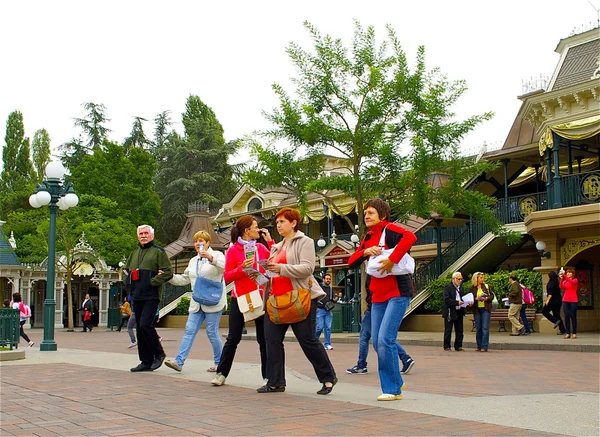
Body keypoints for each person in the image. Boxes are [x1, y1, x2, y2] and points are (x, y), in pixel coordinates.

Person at [259, 207, 337, 395]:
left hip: (299, 298)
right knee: (271, 340)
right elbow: (273, 272)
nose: (278, 225)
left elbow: (307, 268)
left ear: (293, 223)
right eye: (277, 222)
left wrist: (281, 268)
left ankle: (328, 377)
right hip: (276, 300)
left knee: (308, 340)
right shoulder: (276, 247)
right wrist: (259, 275)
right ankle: (276, 382)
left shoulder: (305, 241)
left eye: (282, 222)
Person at [348, 198, 417, 401]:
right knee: (378, 343)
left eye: (370, 213)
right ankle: (396, 379)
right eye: (365, 213)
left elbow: (410, 237)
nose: (366, 216)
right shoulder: (368, 236)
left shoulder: (391, 228)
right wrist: (365, 251)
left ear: (382, 215)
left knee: (385, 339)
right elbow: (352, 262)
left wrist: (391, 260)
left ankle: (393, 389)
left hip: (397, 293)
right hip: (377, 297)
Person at [211, 216, 273, 386]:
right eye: (255, 227)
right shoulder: (233, 250)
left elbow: (275, 263)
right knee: (233, 337)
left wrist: (271, 242)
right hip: (240, 297)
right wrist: (241, 269)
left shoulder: (261, 247)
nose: (258, 230)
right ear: (247, 231)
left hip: (260, 297)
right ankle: (221, 373)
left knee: (264, 338)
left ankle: (267, 376)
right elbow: (227, 276)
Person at [165, 231, 226, 373]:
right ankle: (179, 362)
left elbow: (225, 268)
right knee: (189, 330)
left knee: (212, 332)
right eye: (196, 241)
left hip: (213, 301)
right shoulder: (193, 261)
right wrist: (169, 277)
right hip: (197, 301)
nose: (199, 243)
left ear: (208, 242)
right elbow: (185, 279)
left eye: (202, 240)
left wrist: (210, 258)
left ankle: (220, 363)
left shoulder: (217, 255)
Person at [125, 225, 173, 372]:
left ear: (151, 235)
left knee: (146, 325)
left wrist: (152, 282)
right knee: (139, 328)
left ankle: (158, 354)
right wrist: (129, 283)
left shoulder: (158, 252)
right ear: (137, 236)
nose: (143, 235)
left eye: (146, 233)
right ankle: (145, 361)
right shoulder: (134, 254)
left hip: (151, 296)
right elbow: (126, 271)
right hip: (136, 296)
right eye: (141, 233)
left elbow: (168, 272)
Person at [347, 287, 415, 375]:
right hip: (376, 306)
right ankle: (404, 358)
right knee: (383, 337)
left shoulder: (374, 275)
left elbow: (372, 291)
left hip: (375, 307)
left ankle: (362, 365)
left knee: (369, 338)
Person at [442, 272, 469, 351]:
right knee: (448, 329)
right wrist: (457, 302)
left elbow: (463, 297)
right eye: (459, 279)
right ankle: (447, 346)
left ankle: (458, 345)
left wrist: (467, 302)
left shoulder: (461, 288)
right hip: (450, 311)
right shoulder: (448, 288)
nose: (460, 281)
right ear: (453, 279)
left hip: (459, 311)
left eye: (461, 279)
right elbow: (447, 300)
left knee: (460, 329)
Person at [469, 272, 494, 352]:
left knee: (485, 327)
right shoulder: (472, 288)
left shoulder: (486, 286)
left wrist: (486, 298)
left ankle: (484, 346)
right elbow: (470, 298)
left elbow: (492, 296)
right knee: (478, 328)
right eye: (481, 278)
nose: (482, 279)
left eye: (483, 277)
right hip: (477, 309)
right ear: (476, 279)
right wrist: (476, 299)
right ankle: (479, 345)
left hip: (485, 308)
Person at [315, 273, 335, 350]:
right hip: (320, 309)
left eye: (329, 279)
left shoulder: (330, 289)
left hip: (328, 310)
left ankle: (327, 344)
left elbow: (332, 299)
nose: (328, 280)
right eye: (327, 279)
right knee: (319, 327)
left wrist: (336, 298)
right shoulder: (319, 287)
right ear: (323, 279)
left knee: (328, 328)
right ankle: (314, 341)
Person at [560, 268, 579, 339]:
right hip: (565, 300)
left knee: (573, 316)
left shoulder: (575, 280)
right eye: (567, 272)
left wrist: (564, 275)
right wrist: (562, 278)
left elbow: (571, 282)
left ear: (573, 274)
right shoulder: (565, 281)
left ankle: (574, 333)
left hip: (573, 300)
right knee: (566, 316)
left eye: (570, 272)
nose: (568, 274)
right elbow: (561, 286)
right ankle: (568, 333)